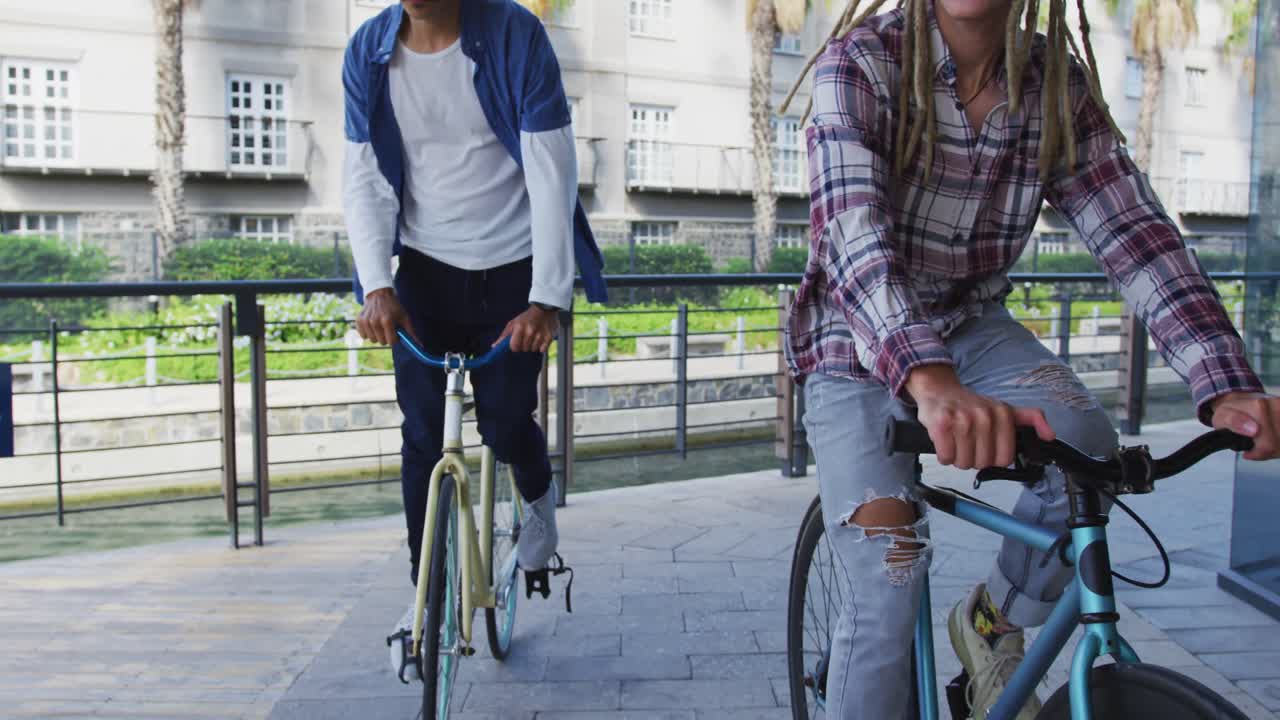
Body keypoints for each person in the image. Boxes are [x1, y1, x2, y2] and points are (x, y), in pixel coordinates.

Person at [785, 0, 1280, 717]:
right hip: (850, 340)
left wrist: (1223, 380)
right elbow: (853, 233)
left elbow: (1136, 234)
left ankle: (989, 623)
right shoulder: (862, 62)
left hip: (969, 323)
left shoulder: (1054, 86)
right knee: (888, 586)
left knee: (1088, 445)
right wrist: (931, 380)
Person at [341, 0, 606, 679]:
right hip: (426, 270)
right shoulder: (368, 53)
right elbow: (364, 176)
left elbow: (551, 165)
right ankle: (424, 596)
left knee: (506, 419)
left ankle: (538, 505)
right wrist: (377, 287)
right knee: (422, 434)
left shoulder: (514, 34)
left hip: (515, 267)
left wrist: (547, 300)